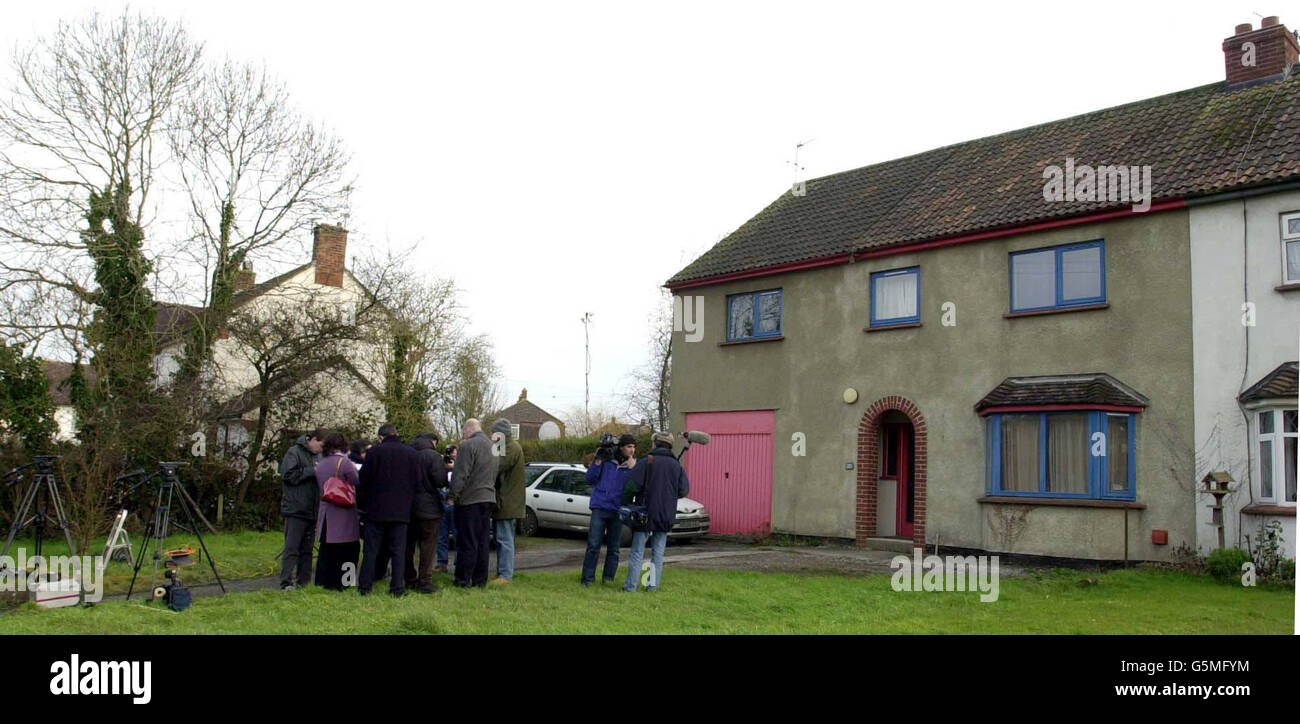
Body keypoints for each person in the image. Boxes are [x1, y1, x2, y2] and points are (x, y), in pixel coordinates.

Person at [357, 423, 421, 596]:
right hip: (401, 511)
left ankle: (365, 587)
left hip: (375, 510)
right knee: (398, 551)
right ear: (396, 433)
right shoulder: (411, 454)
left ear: (380, 437)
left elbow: (362, 481)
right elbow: (417, 482)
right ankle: (397, 588)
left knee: (371, 550)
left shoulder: (373, 453)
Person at [622, 431, 689, 593]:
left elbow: (631, 487)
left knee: (638, 552)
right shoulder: (676, 465)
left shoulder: (647, 461)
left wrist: (625, 502)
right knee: (658, 553)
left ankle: (631, 587)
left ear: (655, 443)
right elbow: (683, 491)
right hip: (665, 514)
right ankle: (652, 586)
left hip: (645, 513)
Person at [581, 434, 636, 586]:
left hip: (618, 510)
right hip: (600, 507)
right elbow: (589, 479)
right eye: (629, 447)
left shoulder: (632, 466)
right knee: (593, 545)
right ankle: (587, 580)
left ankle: (608, 579)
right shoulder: (605, 461)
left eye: (633, 447)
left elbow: (634, 488)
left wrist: (633, 470)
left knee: (614, 548)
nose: (632, 450)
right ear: (621, 447)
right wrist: (598, 461)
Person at [450, 419, 498, 588]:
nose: (463, 436)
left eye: (463, 432)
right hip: (488, 498)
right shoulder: (494, 446)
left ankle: (463, 579)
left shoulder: (468, 445)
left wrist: (453, 494)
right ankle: (480, 580)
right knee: (483, 541)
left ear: (468, 430)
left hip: (470, 499)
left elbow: (460, 474)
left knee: (468, 541)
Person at [314, 431, 360, 591]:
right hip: (343, 512)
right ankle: (346, 582)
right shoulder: (345, 463)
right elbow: (357, 481)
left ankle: (323, 582)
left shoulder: (320, 464)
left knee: (326, 551)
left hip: (326, 512)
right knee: (349, 550)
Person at [279, 429, 324, 591]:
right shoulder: (294, 452)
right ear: (312, 440)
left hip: (312, 509)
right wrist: (312, 471)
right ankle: (286, 582)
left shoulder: (318, 456)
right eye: (320, 445)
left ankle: (303, 582)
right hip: (296, 508)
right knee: (292, 547)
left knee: (307, 549)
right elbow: (288, 475)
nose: (321, 449)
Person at [404, 432, 445, 593]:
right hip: (429, 508)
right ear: (432, 442)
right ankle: (425, 581)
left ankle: (408, 577)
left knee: (407, 546)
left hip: (407, 507)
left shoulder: (406, 455)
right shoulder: (433, 456)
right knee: (428, 544)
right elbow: (440, 481)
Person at [490, 419, 524, 584]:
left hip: (508, 500)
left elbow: (495, 467)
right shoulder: (506, 446)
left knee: (505, 538)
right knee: (501, 538)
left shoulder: (510, 448)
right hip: (505, 499)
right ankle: (502, 572)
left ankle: (505, 575)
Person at [435, 445, 457, 572]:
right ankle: (441, 563)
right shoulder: (443, 466)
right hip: (443, 503)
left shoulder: (460, 466)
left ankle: (457, 563)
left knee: (456, 535)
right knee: (441, 536)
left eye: (454, 454)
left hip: (454, 504)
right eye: (450, 454)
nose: (452, 457)